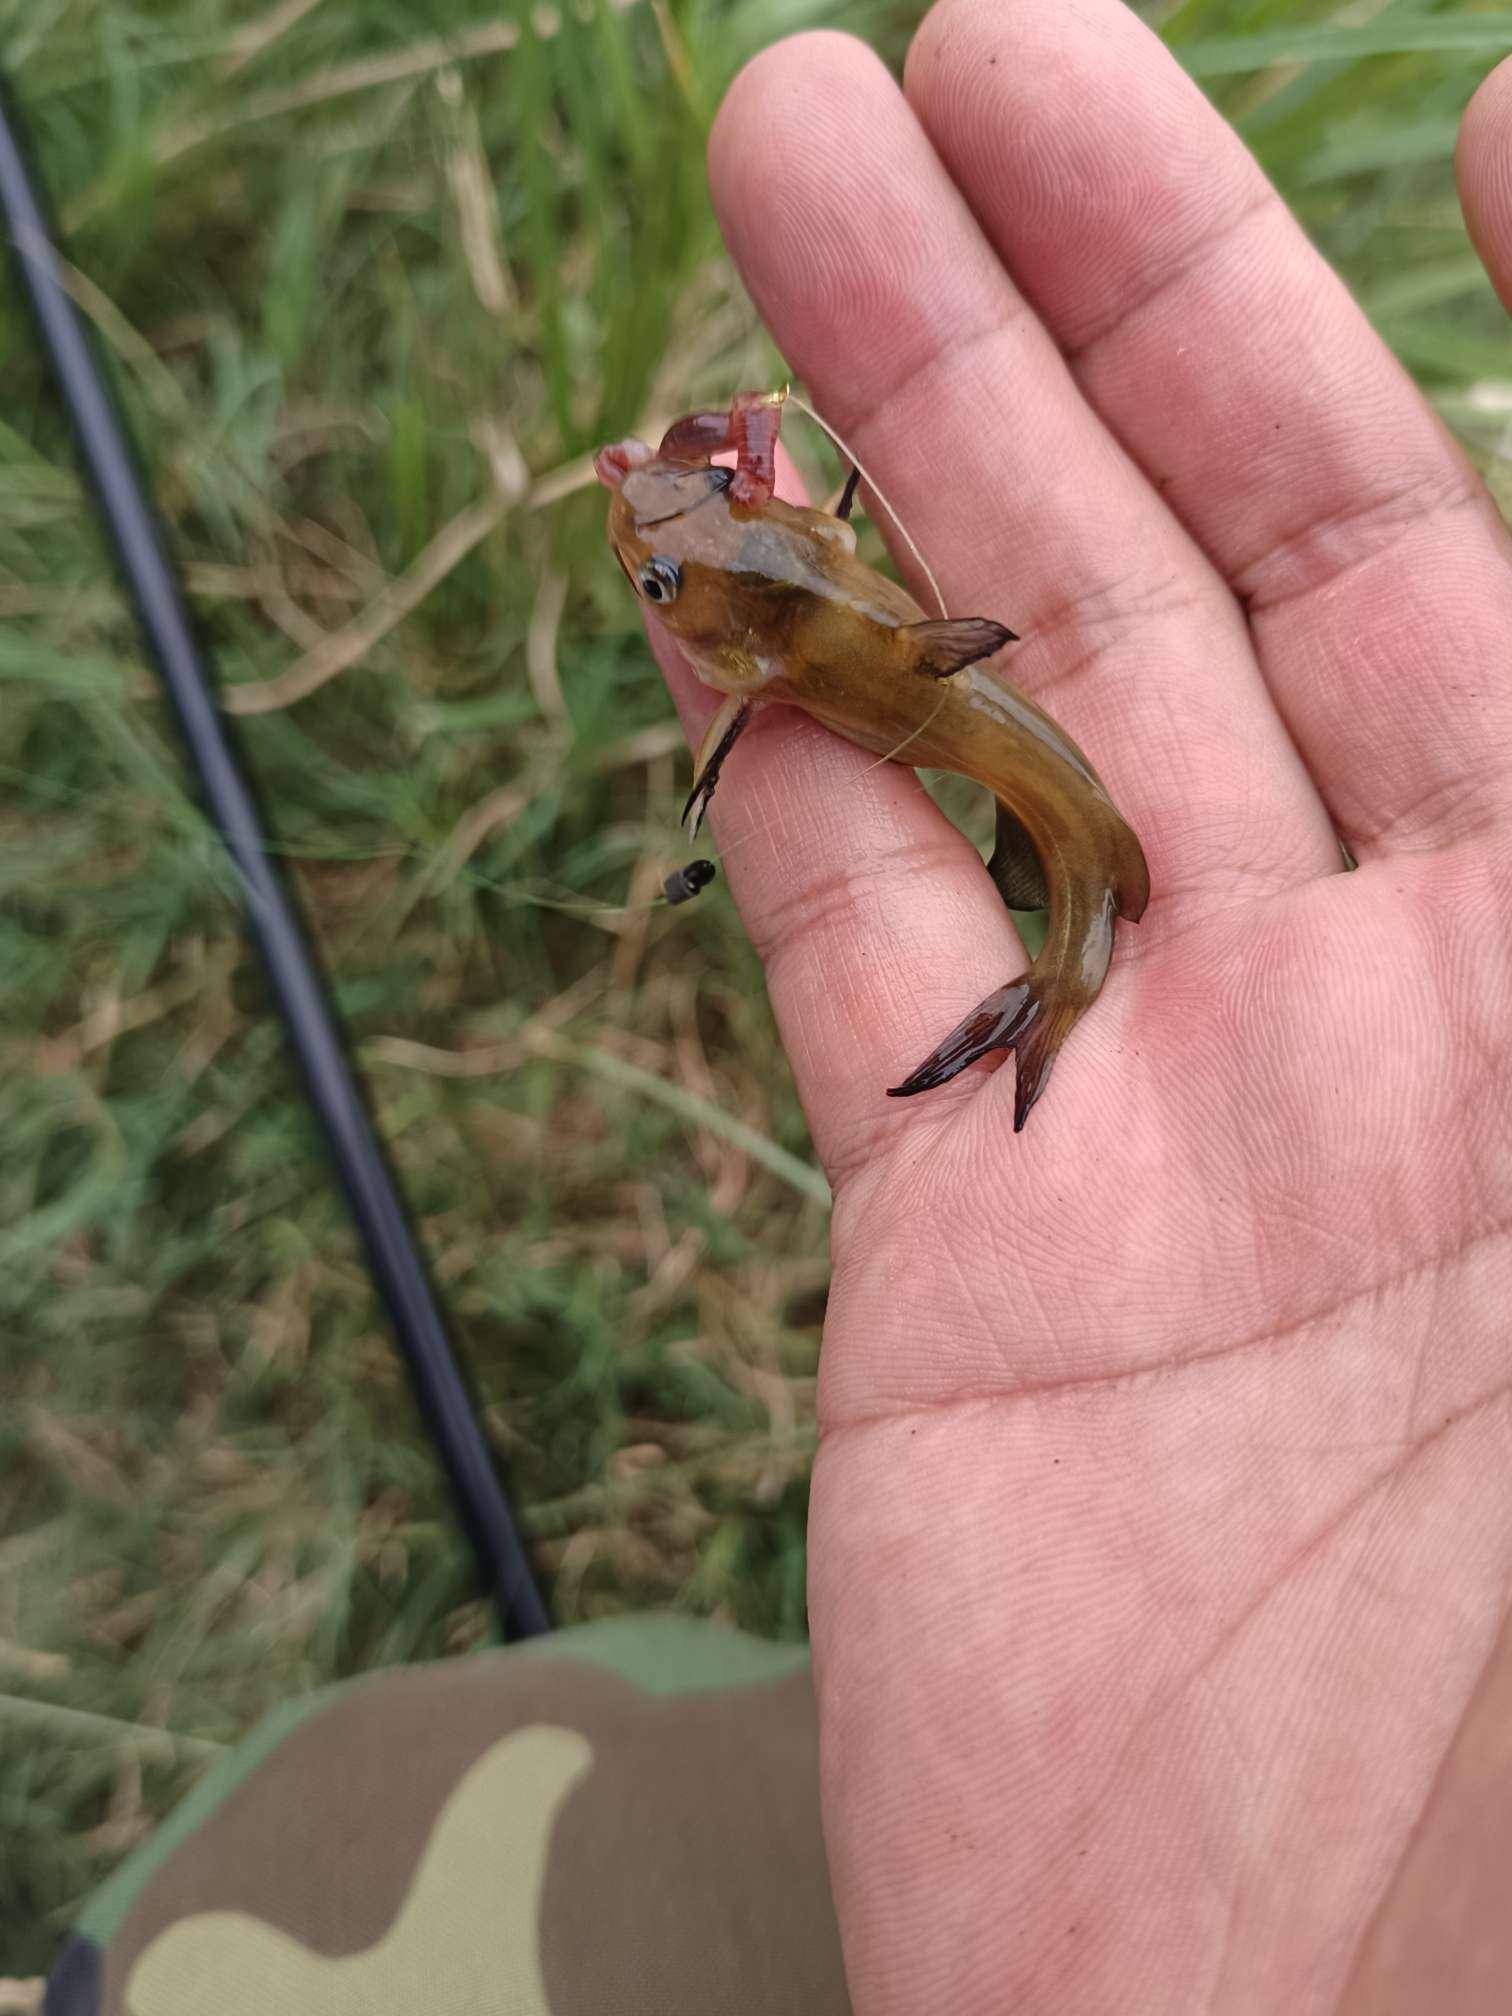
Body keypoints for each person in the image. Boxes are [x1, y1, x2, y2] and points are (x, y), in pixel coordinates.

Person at [48, 5, 1512, 2011]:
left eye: (680, 571)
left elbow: (802, 621)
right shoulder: (795, 633)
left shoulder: (796, 654)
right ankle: (1057, 967)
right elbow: (785, 597)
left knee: (1080, 857)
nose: (655, 537)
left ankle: (1058, 972)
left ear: (774, 592)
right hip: (913, 682)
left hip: (930, 697)